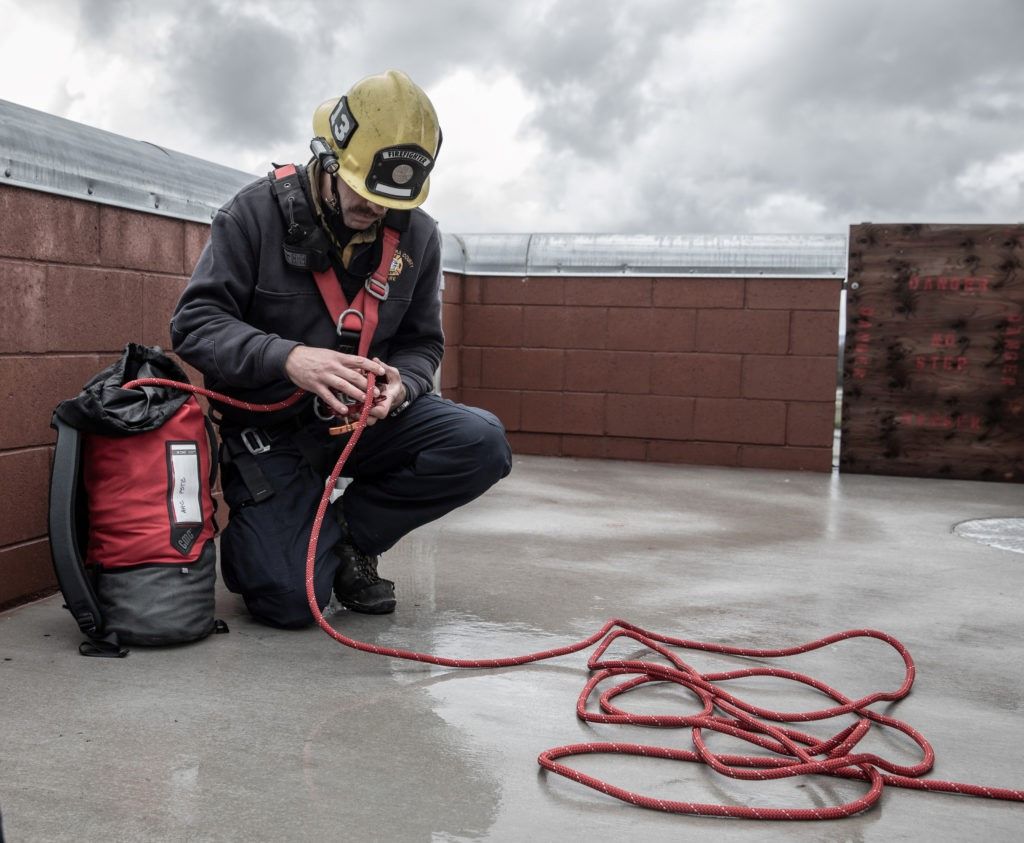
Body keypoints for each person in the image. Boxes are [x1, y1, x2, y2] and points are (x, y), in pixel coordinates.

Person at [170, 70, 512, 629]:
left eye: (388, 201)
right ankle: (282, 540)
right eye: (363, 191)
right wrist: (288, 358)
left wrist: (403, 385)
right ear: (329, 159)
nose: (375, 210)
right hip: (272, 435)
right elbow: (194, 324)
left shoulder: (419, 236)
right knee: (287, 601)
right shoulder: (252, 216)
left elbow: (423, 343)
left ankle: (349, 539)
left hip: (361, 426)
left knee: (481, 442)